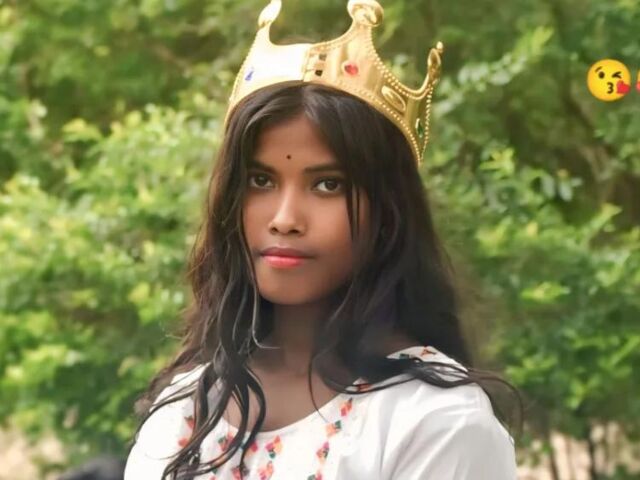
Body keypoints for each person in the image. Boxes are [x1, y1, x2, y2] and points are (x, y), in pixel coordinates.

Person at [124, 1, 523, 479]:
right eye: (260, 181)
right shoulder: (185, 410)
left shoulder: (435, 422)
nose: (285, 219)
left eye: (328, 185)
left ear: (389, 212)